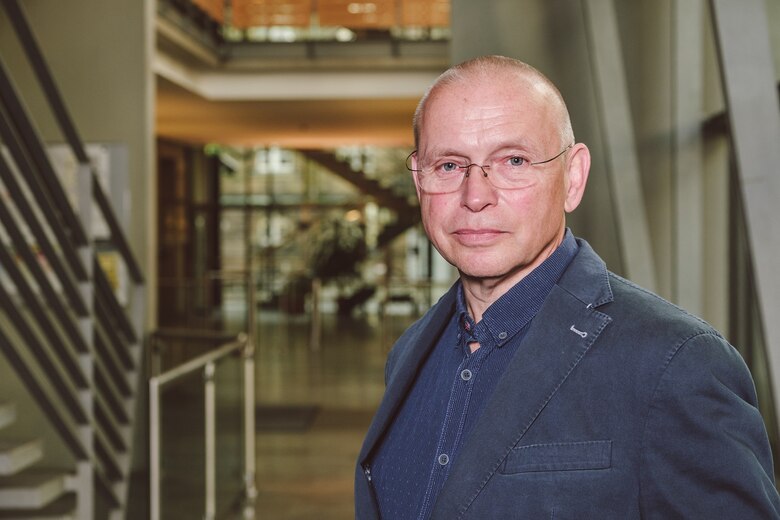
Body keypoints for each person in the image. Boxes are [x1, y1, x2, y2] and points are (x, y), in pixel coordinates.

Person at [354, 55, 780, 519]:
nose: (475, 196)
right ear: (419, 180)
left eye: (513, 160)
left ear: (573, 178)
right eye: (450, 166)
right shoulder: (411, 354)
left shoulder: (674, 362)